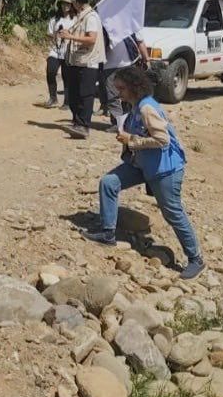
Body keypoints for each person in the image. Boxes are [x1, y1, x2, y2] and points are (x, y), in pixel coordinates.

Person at [83, 66, 204, 279]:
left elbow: (162, 140)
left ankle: (196, 259)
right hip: (142, 164)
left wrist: (132, 140)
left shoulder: (147, 108)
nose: (118, 92)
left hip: (164, 169)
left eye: (121, 88)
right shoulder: (135, 106)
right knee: (109, 182)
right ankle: (108, 232)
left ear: (134, 87)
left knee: (172, 213)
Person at [58, 0, 105, 139]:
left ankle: (84, 125)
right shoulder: (81, 16)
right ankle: (77, 122)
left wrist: (71, 37)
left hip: (87, 62)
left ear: (78, 3)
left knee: (85, 95)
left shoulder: (90, 17)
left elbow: (92, 38)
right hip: (78, 61)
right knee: (75, 94)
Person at [42, 0, 74, 108]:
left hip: (68, 51)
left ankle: (67, 101)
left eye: (68, 4)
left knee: (67, 76)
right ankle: (53, 98)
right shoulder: (55, 19)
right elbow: (48, 34)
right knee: (50, 71)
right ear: (60, 5)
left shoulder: (75, 19)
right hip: (55, 50)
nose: (66, 6)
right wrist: (55, 34)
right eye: (64, 4)